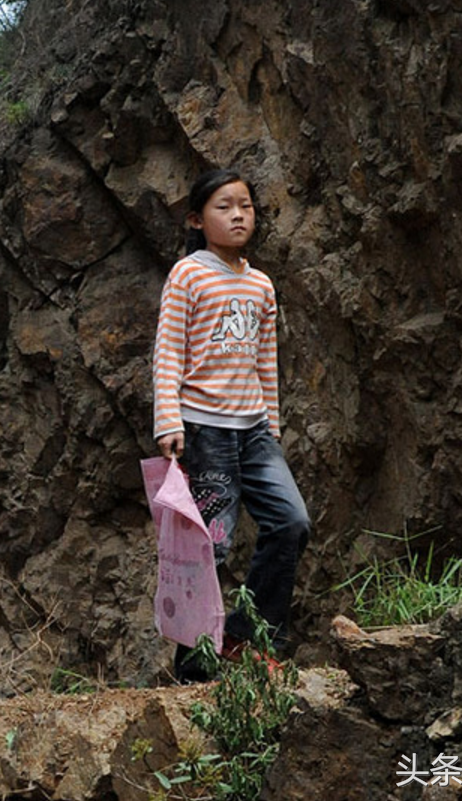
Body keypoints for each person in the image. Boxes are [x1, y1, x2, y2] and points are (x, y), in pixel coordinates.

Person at [152, 167, 310, 682]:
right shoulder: (189, 274)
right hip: (203, 431)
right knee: (209, 548)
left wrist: (274, 422)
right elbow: (169, 351)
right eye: (224, 206)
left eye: (245, 205)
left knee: (290, 522)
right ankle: (194, 670)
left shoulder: (261, 285)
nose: (239, 215)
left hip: (255, 432)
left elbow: (267, 360)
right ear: (198, 220)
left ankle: (245, 634)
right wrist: (168, 420)